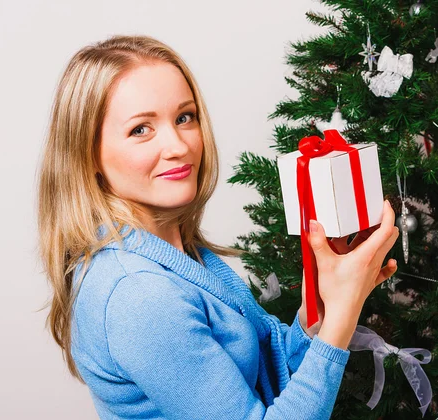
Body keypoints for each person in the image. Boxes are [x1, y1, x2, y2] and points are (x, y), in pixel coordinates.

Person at [36, 34, 399, 420]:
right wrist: (344, 312)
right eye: (140, 129)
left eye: (184, 117)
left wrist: (321, 307)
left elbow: (265, 372)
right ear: (87, 153)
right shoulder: (140, 295)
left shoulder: (178, 252)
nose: (178, 145)